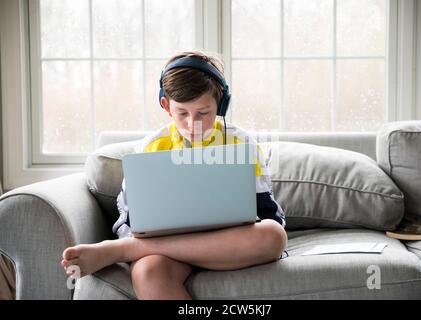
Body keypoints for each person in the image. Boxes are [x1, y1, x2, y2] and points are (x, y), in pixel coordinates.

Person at [61, 50, 287, 300]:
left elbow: (269, 215)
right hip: (171, 253)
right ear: (166, 106)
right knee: (147, 272)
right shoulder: (150, 148)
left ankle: (125, 251)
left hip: (228, 244)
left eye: (204, 112)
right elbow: (130, 221)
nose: (194, 124)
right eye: (183, 113)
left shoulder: (240, 144)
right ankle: (136, 248)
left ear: (221, 104)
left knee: (274, 236)